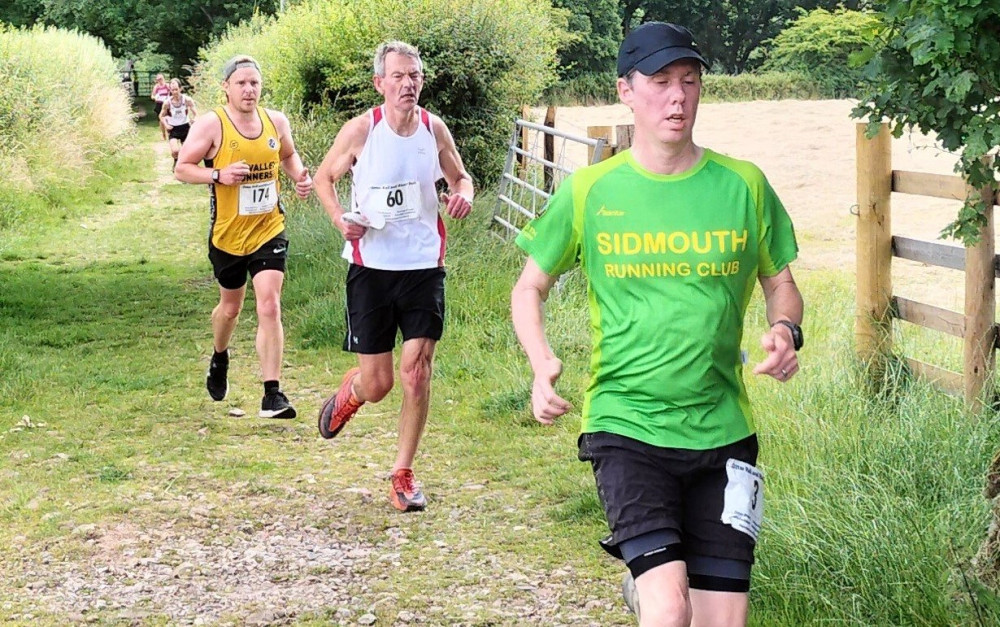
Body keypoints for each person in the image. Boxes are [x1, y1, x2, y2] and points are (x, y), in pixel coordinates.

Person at [510, 22, 804, 626]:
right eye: (662, 81)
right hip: (627, 423)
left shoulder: (743, 185)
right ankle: (651, 582)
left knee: (723, 619)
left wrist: (785, 331)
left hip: (724, 431)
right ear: (626, 90)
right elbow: (529, 287)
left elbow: (782, 284)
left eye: (690, 82)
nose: (678, 96)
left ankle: (645, 578)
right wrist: (541, 364)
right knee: (670, 608)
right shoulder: (593, 191)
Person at [313, 40, 474, 512]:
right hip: (371, 268)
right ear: (380, 83)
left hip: (424, 264)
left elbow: (461, 177)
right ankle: (354, 390)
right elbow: (324, 178)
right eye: (399, 76)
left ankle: (403, 474)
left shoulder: (433, 128)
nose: (408, 84)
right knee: (380, 383)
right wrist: (341, 218)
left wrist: (462, 195)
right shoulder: (362, 130)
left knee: (417, 369)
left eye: (415, 76)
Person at [174, 55, 313, 419]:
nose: (249, 90)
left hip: (269, 228)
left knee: (269, 304)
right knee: (230, 309)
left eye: (254, 83)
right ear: (227, 87)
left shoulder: (275, 121)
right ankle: (220, 356)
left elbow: (289, 155)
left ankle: (272, 394)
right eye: (241, 83)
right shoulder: (212, 125)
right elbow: (182, 169)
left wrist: (299, 177)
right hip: (228, 236)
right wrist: (218, 175)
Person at [160, 79, 198, 171]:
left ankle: (184, 168)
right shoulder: (167, 103)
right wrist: (166, 125)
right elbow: (161, 116)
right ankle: (176, 160)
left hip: (185, 127)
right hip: (173, 128)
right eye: (172, 90)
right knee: (175, 150)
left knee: (187, 151)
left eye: (176, 89)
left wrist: (194, 120)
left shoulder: (187, 100)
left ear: (180, 89)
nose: (174, 92)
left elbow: (196, 113)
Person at [150, 74, 171, 139]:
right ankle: (163, 134)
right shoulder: (156, 87)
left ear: (163, 78)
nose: (160, 80)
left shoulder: (167, 85)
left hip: (167, 103)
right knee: (161, 119)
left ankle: (169, 132)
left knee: (168, 118)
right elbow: (152, 96)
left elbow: (171, 93)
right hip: (159, 104)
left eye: (161, 79)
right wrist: (155, 98)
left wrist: (168, 97)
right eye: (158, 79)